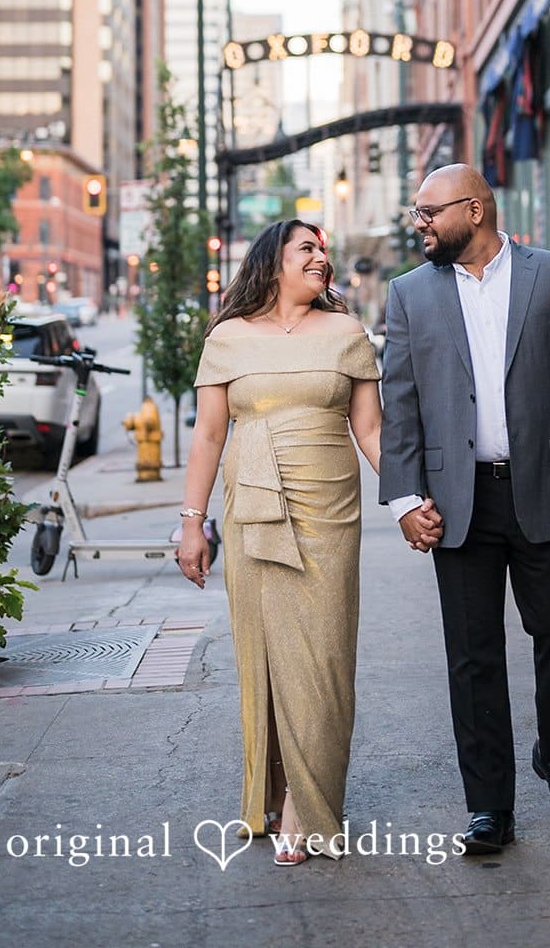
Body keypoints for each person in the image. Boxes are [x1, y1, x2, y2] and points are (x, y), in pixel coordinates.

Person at [379, 165, 550, 856]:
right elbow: (398, 404)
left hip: (546, 491)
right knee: (472, 655)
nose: (419, 223)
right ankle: (488, 807)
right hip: (456, 500)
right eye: (416, 213)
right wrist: (404, 498)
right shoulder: (408, 296)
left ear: (476, 208)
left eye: (429, 211)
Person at [181, 218, 398, 864]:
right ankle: (277, 794)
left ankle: (311, 801)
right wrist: (192, 521)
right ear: (273, 261)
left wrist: (415, 495)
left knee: (325, 656)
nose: (322, 258)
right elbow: (209, 437)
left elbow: (372, 431)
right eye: (308, 248)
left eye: (324, 250)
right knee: (268, 654)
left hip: (330, 511)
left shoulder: (347, 333)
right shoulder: (228, 338)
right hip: (250, 509)